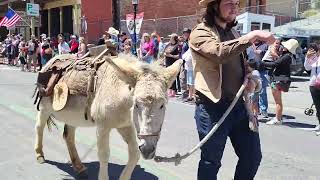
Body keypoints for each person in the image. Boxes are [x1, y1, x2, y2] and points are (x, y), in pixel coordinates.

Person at [189, 0, 275, 179]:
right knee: (210, 162)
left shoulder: (233, 32)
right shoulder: (200, 32)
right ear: (214, 6)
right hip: (212, 107)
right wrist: (251, 36)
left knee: (252, 157)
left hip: (238, 106)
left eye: (236, 3)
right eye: (229, 2)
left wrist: (253, 80)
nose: (234, 7)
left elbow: (243, 65)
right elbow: (218, 53)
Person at [260, 39, 299, 125]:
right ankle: (278, 117)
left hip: (278, 80)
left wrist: (261, 63)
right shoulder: (287, 56)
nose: (282, 46)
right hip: (280, 79)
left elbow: (275, 64)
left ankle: (277, 119)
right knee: (278, 101)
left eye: (284, 46)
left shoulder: (286, 56)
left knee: (278, 102)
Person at [247, 40, 269, 118]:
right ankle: (256, 110)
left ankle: (264, 110)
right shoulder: (249, 46)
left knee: (262, 92)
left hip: (262, 71)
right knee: (253, 92)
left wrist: (262, 53)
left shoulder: (265, 46)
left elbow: (269, 56)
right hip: (251, 71)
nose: (255, 39)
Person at [304, 43, 320, 136]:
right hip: (313, 85)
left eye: (315, 50)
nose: (314, 52)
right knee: (318, 107)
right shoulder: (313, 59)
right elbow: (307, 67)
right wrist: (307, 57)